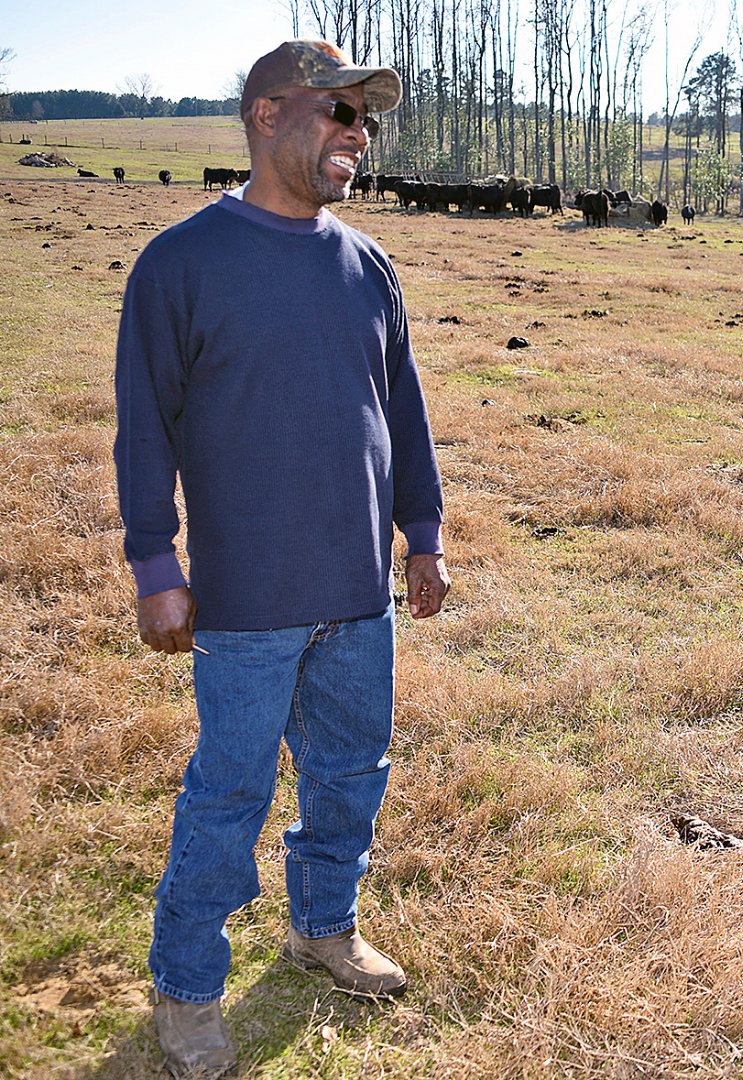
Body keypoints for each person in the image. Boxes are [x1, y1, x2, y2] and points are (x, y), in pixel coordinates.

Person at [113, 40, 449, 1079]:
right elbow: (143, 428)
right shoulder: (181, 262)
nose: (358, 134)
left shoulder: (368, 264)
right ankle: (187, 990)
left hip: (360, 593)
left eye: (367, 120)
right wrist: (156, 566)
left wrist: (424, 534)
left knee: (351, 778)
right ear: (267, 114)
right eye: (338, 112)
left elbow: (402, 412)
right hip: (247, 599)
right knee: (230, 794)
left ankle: (323, 928)